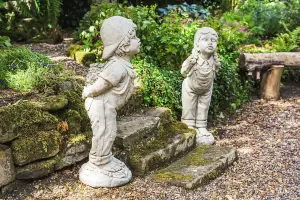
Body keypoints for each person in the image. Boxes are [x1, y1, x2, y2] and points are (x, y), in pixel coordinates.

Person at [79, 16, 140, 188]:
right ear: (123, 44)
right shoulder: (117, 67)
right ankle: (99, 163)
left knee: (109, 133)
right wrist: (89, 91)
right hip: (100, 105)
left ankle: (104, 158)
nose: (138, 40)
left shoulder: (123, 64)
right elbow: (102, 84)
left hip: (108, 107)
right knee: (104, 132)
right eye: (134, 37)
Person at [181, 27, 221, 145]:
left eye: (213, 40)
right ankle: (189, 125)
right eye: (205, 39)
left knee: (204, 107)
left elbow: (215, 72)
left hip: (207, 88)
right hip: (190, 88)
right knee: (189, 107)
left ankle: (201, 126)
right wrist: (189, 63)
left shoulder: (214, 60)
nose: (210, 43)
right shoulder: (194, 59)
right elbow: (183, 72)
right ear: (197, 44)